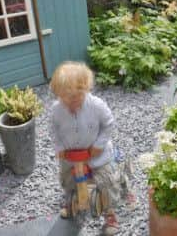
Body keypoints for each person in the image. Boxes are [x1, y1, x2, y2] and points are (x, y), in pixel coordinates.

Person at [49, 61, 134, 236]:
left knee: (104, 183)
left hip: (96, 154)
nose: (71, 102)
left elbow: (108, 124)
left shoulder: (96, 105)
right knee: (69, 181)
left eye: (75, 98)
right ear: (59, 95)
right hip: (70, 156)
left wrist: (99, 145)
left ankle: (109, 214)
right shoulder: (57, 110)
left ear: (86, 90)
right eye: (65, 98)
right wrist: (59, 147)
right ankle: (74, 203)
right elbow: (54, 130)